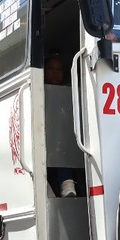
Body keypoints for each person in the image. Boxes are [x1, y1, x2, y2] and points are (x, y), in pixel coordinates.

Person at [44, 53, 77, 197]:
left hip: (64, 144)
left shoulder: (70, 95)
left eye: (59, 70)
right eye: (51, 69)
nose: (55, 73)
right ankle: (66, 182)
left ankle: (67, 183)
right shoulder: (39, 94)